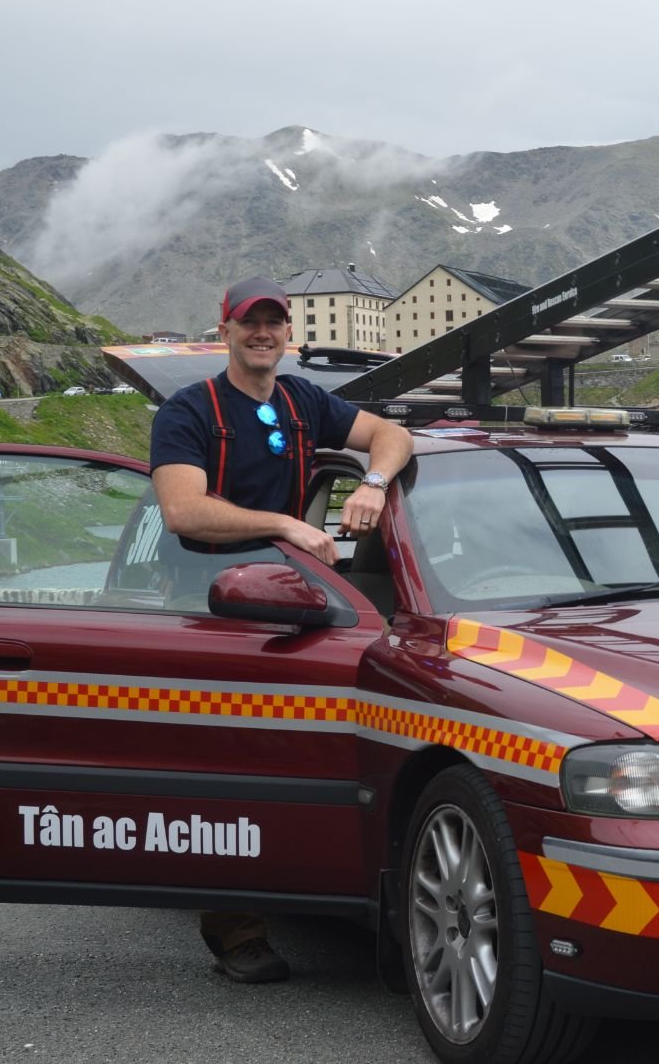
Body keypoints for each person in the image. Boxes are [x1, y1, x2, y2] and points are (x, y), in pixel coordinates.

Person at [149, 276, 412, 983]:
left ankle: (307, 882)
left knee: (290, 760)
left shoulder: (303, 401)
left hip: (297, 605)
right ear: (225, 328)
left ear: (286, 331)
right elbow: (183, 510)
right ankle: (236, 930)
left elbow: (392, 434)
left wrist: (374, 482)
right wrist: (286, 523)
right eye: (249, 322)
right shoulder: (188, 411)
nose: (263, 333)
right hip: (207, 605)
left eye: (274, 322)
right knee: (221, 768)